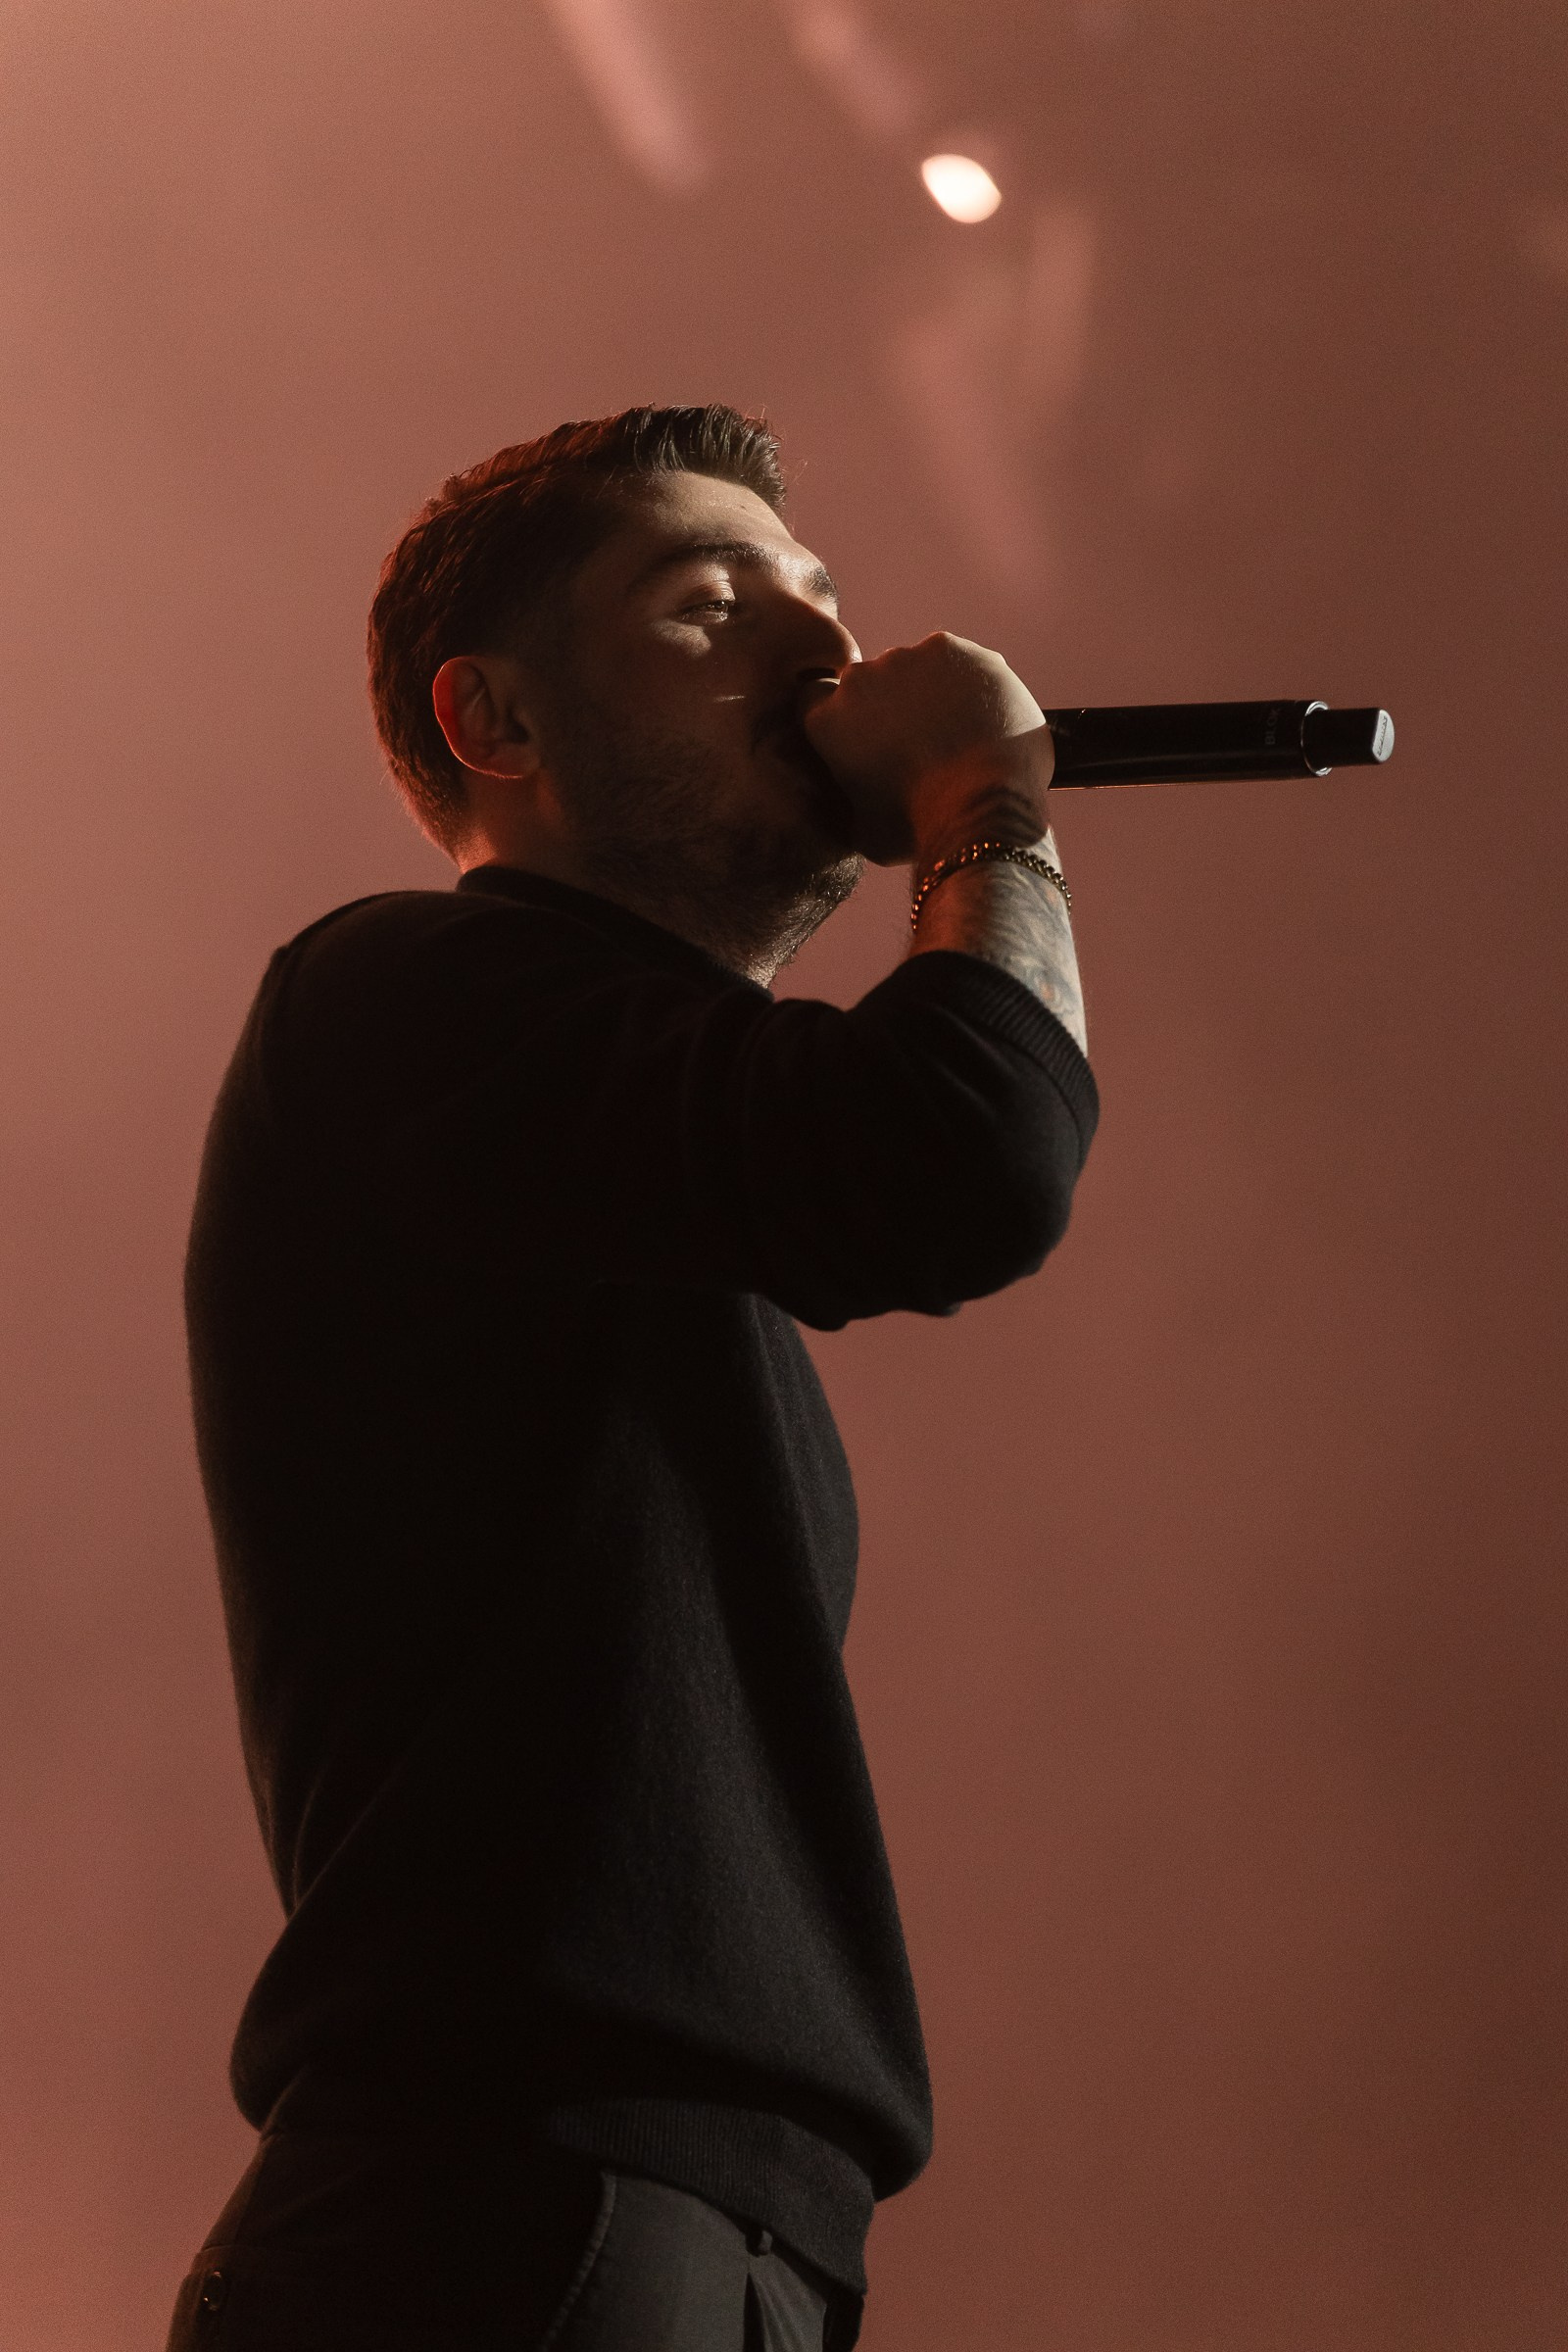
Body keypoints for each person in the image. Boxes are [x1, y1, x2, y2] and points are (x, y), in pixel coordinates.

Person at [166, 405, 1097, 2352]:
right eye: (708, 600)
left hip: (683, 2226)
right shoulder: (395, 995)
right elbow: (957, 1153)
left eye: (820, 592)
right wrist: (985, 815)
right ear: (495, 720)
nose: (821, 643)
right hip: (501, 2201)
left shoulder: (636, 1175)